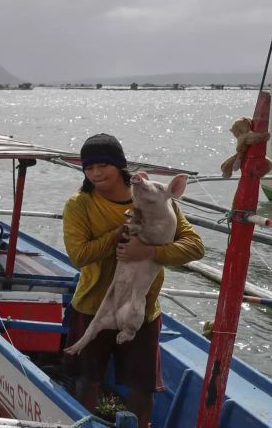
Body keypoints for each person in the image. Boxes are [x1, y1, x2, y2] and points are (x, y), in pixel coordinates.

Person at [62, 133, 204, 428]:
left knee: (142, 387)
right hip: (92, 305)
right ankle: (81, 422)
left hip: (142, 308)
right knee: (88, 379)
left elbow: (194, 247)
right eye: (89, 168)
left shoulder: (155, 197)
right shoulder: (80, 204)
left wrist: (149, 250)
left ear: (120, 165)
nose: (96, 173)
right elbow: (79, 255)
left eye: (103, 165)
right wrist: (116, 235)